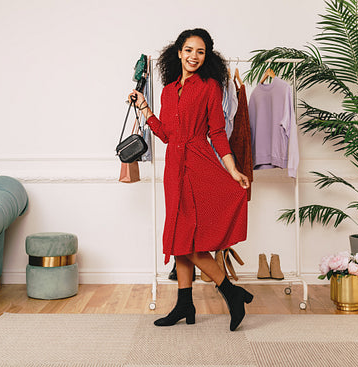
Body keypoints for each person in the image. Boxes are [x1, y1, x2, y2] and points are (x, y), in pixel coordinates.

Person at [129, 28, 253, 331]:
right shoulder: (168, 90)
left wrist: (233, 170)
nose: (193, 56)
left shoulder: (210, 86)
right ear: (179, 52)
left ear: (206, 56)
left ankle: (230, 292)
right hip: (174, 168)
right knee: (179, 239)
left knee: (190, 242)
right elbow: (168, 135)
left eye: (200, 51)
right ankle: (185, 304)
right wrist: (145, 110)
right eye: (188, 50)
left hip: (199, 164)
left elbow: (217, 133)